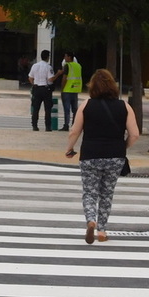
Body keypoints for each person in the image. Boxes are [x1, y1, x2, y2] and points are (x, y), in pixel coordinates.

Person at [65, 68, 140, 244]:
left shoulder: (86, 105)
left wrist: (70, 148)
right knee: (106, 193)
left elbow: (74, 131)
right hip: (115, 156)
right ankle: (102, 231)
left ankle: (91, 220)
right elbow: (135, 134)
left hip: (90, 154)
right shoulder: (124, 106)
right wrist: (123, 146)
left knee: (90, 193)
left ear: (93, 86)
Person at [52, 51, 82, 131]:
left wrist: (62, 89)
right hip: (75, 89)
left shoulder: (67, 66)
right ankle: (74, 125)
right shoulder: (78, 66)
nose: (64, 58)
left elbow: (64, 78)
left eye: (65, 57)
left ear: (69, 57)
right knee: (75, 109)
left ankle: (66, 125)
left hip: (67, 90)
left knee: (67, 109)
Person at [27, 50, 55, 131]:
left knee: (35, 108)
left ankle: (34, 126)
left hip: (36, 88)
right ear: (47, 57)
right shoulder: (48, 67)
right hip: (46, 89)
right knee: (47, 109)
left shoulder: (35, 66)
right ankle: (48, 127)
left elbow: (30, 78)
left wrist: (34, 84)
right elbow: (50, 79)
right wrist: (57, 74)